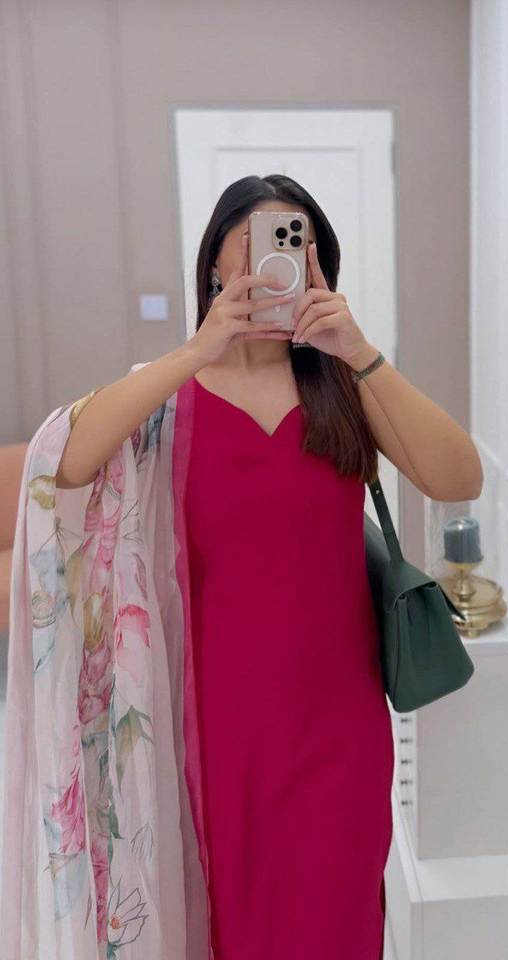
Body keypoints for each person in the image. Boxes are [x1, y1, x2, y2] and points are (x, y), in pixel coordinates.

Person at [1, 174, 483, 959]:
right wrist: (199, 349)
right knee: (231, 928)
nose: (274, 267)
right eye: (254, 250)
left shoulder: (344, 389)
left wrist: (359, 351)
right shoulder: (171, 399)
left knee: (333, 922)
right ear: (216, 269)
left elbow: (458, 477)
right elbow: (66, 465)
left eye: (296, 248)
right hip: (211, 727)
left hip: (339, 726)